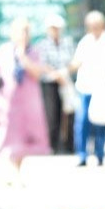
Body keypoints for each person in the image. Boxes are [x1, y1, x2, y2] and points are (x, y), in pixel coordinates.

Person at [0, 18, 51, 184]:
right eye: (21, 31)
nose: (24, 35)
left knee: (22, 140)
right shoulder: (2, 51)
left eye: (26, 31)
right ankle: (12, 172)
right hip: (7, 103)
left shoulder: (33, 52)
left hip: (28, 103)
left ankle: (16, 171)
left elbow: (37, 74)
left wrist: (23, 57)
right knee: (7, 138)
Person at [69, 11, 105, 167]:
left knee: (101, 121)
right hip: (85, 86)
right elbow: (76, 62)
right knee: (82, 120)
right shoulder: (85, 41)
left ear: (103, 25)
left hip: (103, 87)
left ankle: (100, 154)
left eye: (97, 25)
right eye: (91, 26)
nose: (94, 28)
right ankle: (82, 154)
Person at [34, 15, 75, 154]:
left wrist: (64, 73)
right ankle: (52, 146)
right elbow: (42, 64)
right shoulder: (42, 45)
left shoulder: (67, 43)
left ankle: (69, 145)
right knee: (52, 115)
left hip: (66, 82)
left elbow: (72, 61)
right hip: (50, 83)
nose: (55, 31)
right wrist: (57, 75)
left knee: (69, 113)